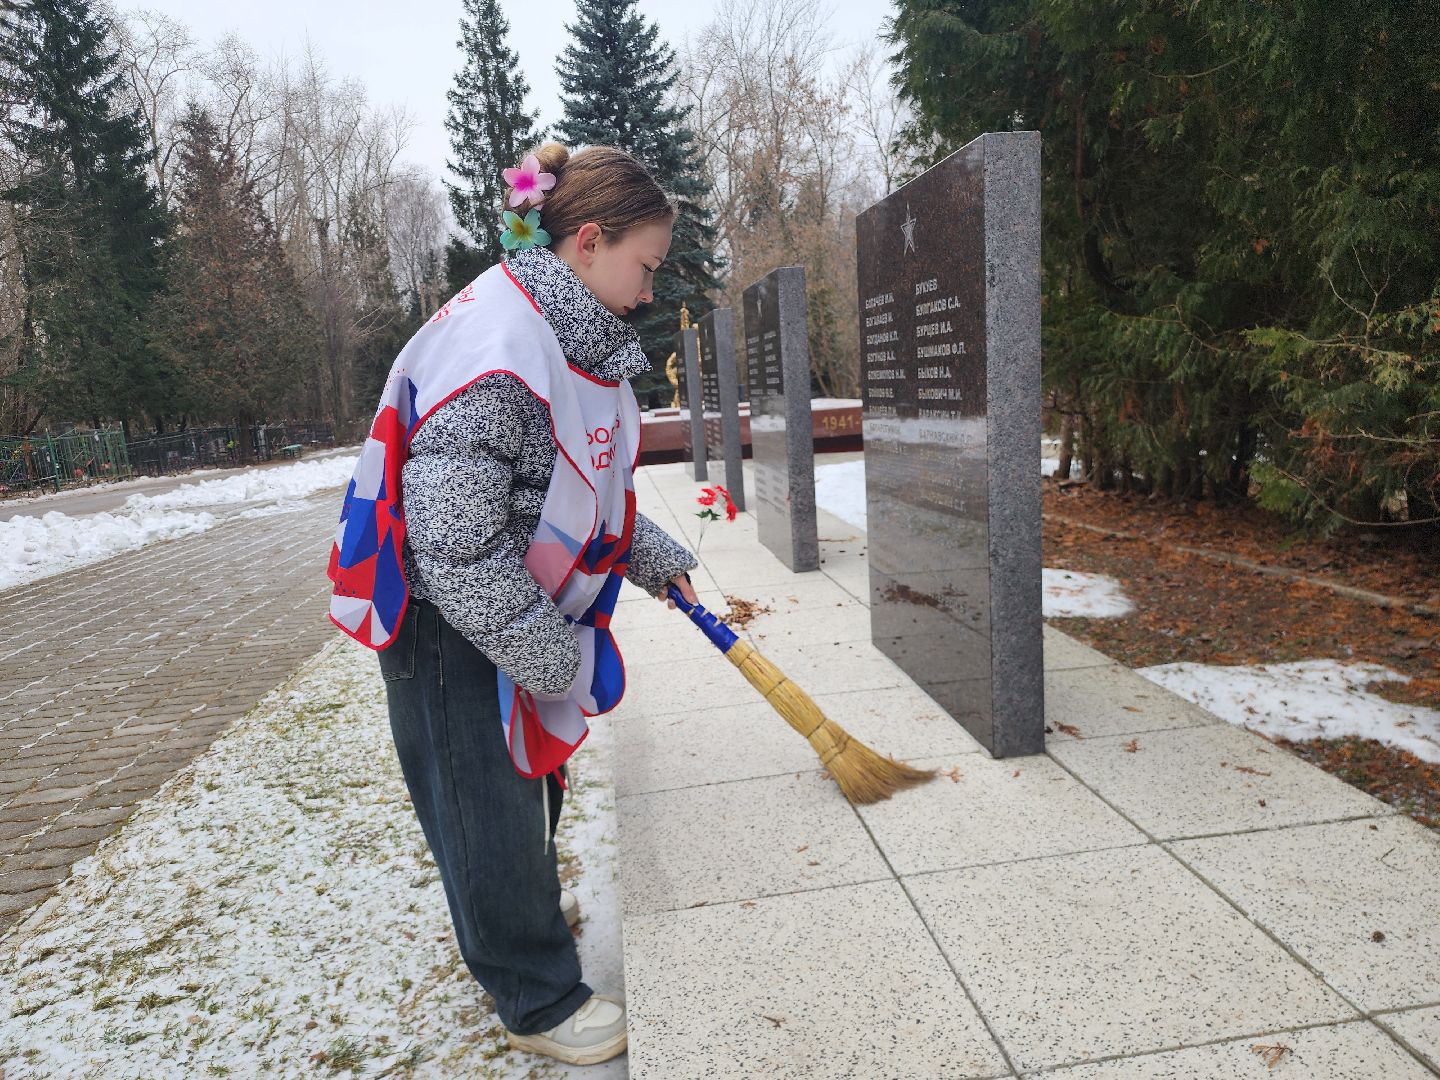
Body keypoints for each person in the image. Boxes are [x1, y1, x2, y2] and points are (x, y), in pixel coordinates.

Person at [326, 142, 700, 1066]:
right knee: (481, 800)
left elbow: (568, 489)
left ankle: (519, 913)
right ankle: (533, 993)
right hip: (444, 621)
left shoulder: (552, 328)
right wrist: (551, 659)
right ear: (586, 239)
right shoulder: (500, 352)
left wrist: (653, 561)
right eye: (644, 266)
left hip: (501, 609)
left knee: (528, 782)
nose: (649, 291)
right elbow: (454, 541)